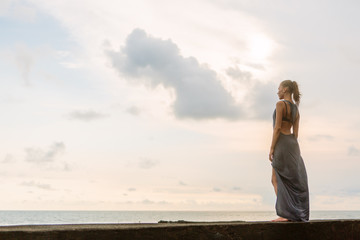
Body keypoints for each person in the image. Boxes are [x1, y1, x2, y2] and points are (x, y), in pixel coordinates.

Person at [269, 80, 309, 222]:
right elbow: (296, 134)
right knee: (291, 180)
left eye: (279, 88)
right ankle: (291, 213)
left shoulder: (280, 104)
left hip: (282, 143)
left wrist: (272, 147)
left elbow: (277, 128)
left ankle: (286, 214)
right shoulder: (296, 110)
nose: (278, 91)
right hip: (292, 144)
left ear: (285, 89)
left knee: (275, 179)